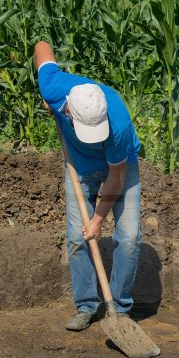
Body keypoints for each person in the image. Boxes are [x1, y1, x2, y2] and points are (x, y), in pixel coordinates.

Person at [33, 41, 143, 331]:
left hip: (119, 167)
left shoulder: (117, 126)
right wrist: (48, 101)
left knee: (129, 238)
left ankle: (119, 308)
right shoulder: (55, 88)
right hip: (79, 169)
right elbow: (42, 46)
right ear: (68, 110)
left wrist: (97, 220)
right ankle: (85, 305)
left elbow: (116, 178)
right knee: (77, 237)